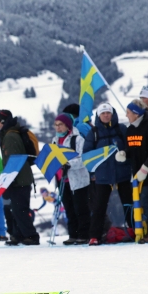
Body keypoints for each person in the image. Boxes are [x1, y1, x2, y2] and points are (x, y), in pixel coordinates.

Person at [83, 103, 133, 246]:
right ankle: (94, 236)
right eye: (103, 113)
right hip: (103, 175)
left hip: (122, 172)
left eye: (108, 113)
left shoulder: (121, 129)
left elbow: (129, 147)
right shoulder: (93, 133)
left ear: (112, 114)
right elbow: (87, 155)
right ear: (99, 116)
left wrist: (126, 155)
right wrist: (93, 171)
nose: (106, 115)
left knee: (128, 203)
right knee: (99, 207)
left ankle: (135, 229)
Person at [0, 110, 39, 245]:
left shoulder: (9, 137)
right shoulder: (12, 133)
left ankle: (31, 236)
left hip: (18, 178)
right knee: (16, 208)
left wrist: (9, 180)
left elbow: (12, 161)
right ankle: (19, 235)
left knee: (20, 209)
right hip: (20, 177)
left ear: (2, 122)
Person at [123, 99, 148, 243]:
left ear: (135, 113)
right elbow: (131, 149)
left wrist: (145, 168)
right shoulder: (130, 129)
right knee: (145, 200)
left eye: (128, 112)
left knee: (146, 200)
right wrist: (124, 154)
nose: (126, 115)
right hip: (137, 172)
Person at [52, 113, 91, 245]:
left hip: (77, 179)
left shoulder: (77, 139)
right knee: (69, 208)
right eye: (56, 125)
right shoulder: (54, 141)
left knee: (80, 208)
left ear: (67, 125)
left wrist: (69, 164)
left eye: (60, 125)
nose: (58, 128)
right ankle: (73, 234)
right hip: (61, 179)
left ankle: (84, 234)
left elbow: (83, 159)